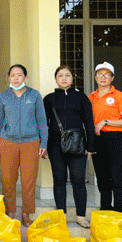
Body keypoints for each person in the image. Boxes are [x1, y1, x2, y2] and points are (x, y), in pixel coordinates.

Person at [0, 64, 48, 226]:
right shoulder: (3, 97)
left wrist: (43, 142)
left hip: (31, 142)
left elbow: (42, 121)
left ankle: (26, 213)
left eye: (20, 75)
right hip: (7, 142)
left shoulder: (34, 95)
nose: (16, 78)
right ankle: (10, 211)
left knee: (28, 179)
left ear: (26, 78)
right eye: (13, 75)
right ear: (8, 78)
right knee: (8, 179)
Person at [43, 65, 95, 228]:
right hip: (55, 145)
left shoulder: (82, 98)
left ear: (72, 79)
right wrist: (43, 145)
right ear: (56, 79)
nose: (64, 78)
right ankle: (61, 216)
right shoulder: (49, 99)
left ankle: (81, 216)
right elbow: (43, 124)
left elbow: (89, 122)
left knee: (78, 180)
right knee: (59, 180)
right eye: (60, 75)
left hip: (78, 144)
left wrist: (90, 145)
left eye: (67, 75)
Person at [89, 62, 122, 213]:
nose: (103, 77)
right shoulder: (91, 97)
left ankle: (121, 210)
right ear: (95, 77)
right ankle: (105, 208)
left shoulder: (120, 96)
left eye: (106, 74)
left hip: (114, 137)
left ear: (112, 78)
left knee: (115, 174)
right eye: (99, 74)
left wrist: (105, 122)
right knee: (101, 176)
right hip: (97, 139)